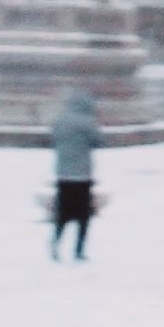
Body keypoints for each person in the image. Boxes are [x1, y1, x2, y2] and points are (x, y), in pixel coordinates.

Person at [48, 88, 100, 261]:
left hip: (63, 174)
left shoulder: (60, 120)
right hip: (83, 175)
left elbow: (53, 140)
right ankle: (78, 251)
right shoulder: (88, 122)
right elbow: (98, 141)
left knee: (63, 213)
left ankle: (55, 242)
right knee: (83, 216)